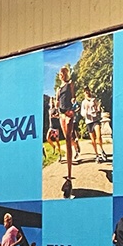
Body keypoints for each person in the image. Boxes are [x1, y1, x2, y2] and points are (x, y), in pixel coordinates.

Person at [55, 63, 78, 196]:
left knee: (68, 140)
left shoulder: (70, 84)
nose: (62, 75)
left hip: (69, 113)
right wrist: (56, 107)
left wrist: (73, 106)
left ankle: (69, 177)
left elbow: (73, 97)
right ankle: (75, 145)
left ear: (66, 74)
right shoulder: (58, 89)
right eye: (60, 74)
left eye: (64, 73)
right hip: (61, 115)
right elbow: (57, 103)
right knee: (67, 140)